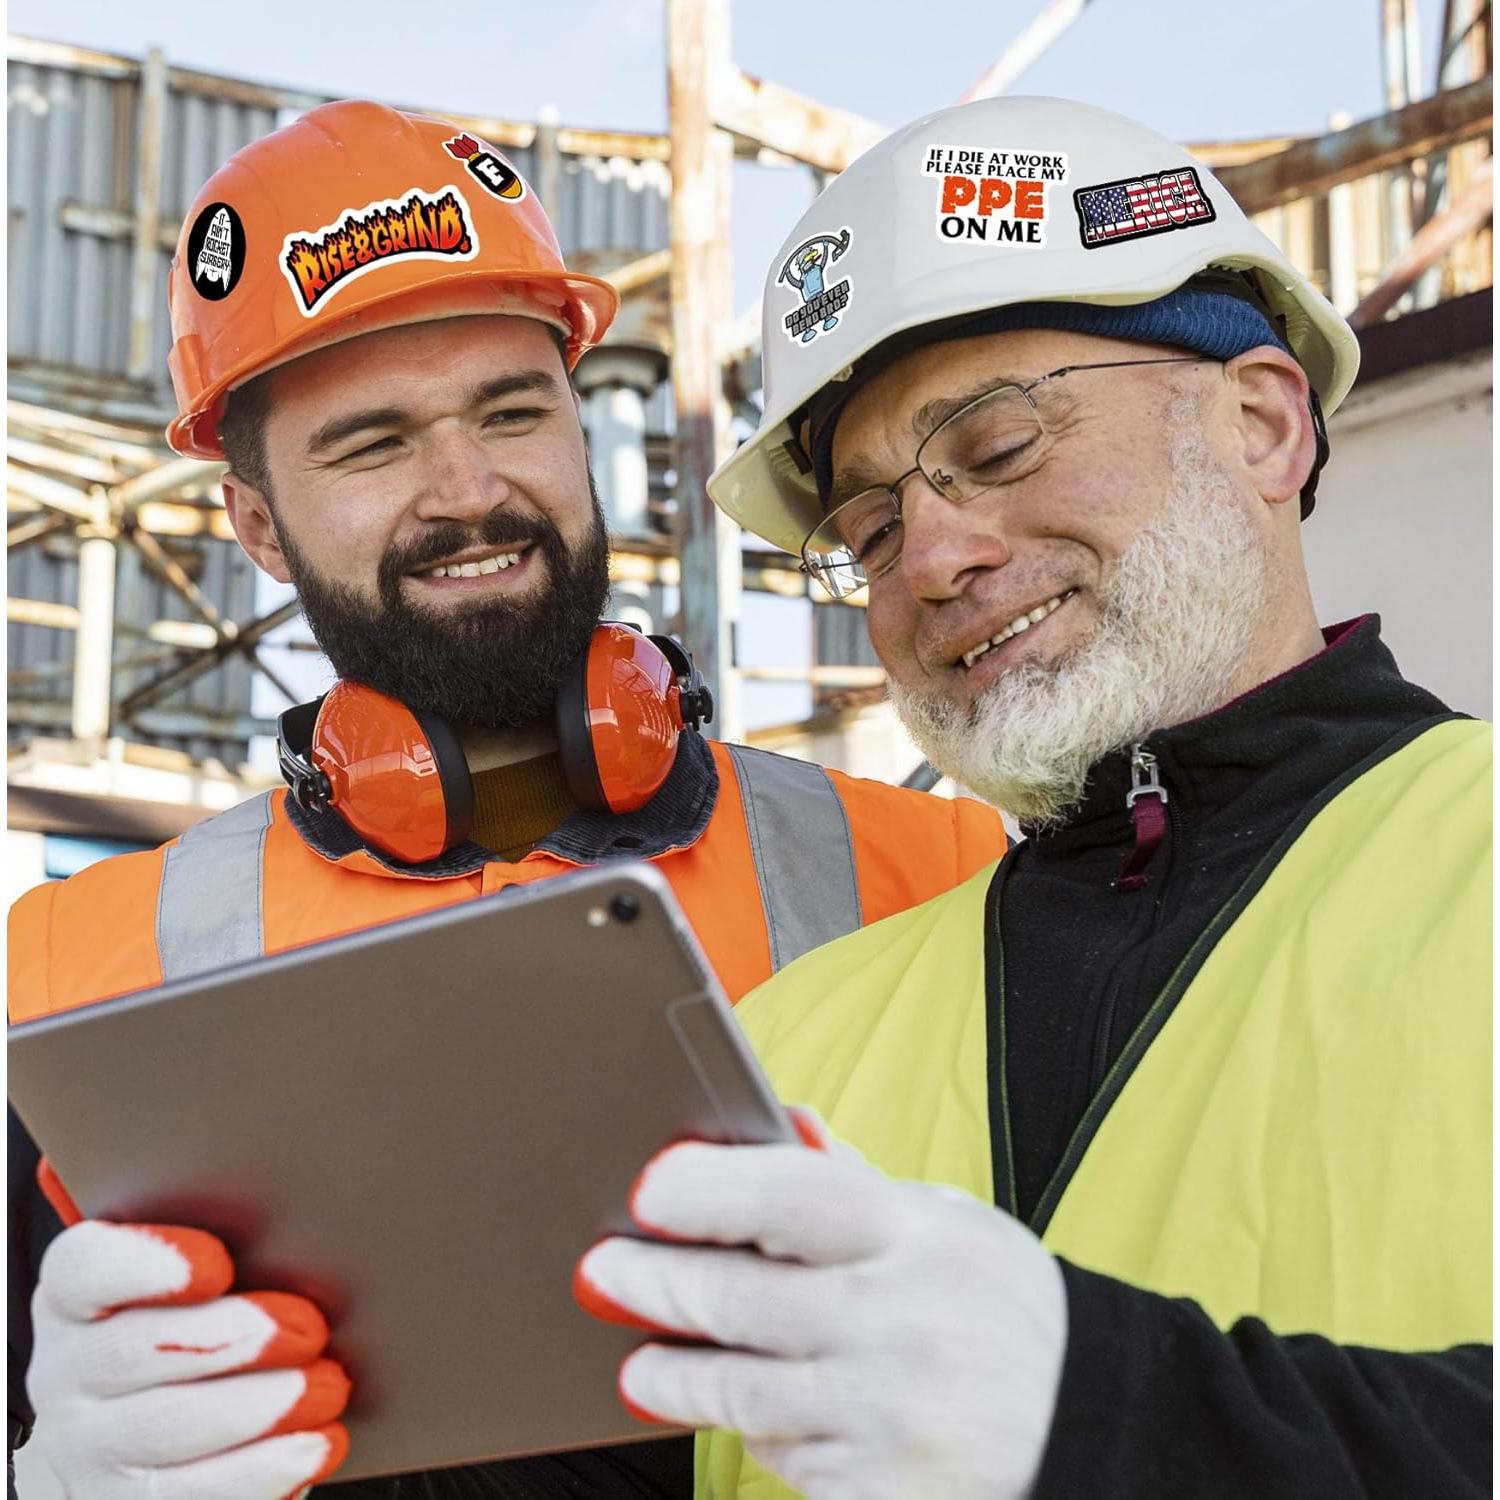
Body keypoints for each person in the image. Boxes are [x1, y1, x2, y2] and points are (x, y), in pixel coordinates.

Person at [6, 100, 1007, 1498]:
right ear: (254, 525)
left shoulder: (945, 872)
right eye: (372, 444)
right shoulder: (63, 981)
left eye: (514, 410)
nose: (469, 490)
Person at [571, 96, 1491, 1498]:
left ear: (1258, 426)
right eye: (867, 527)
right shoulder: (789, 1039)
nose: (929, 557)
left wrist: (1114, 1416)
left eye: (998, 448)